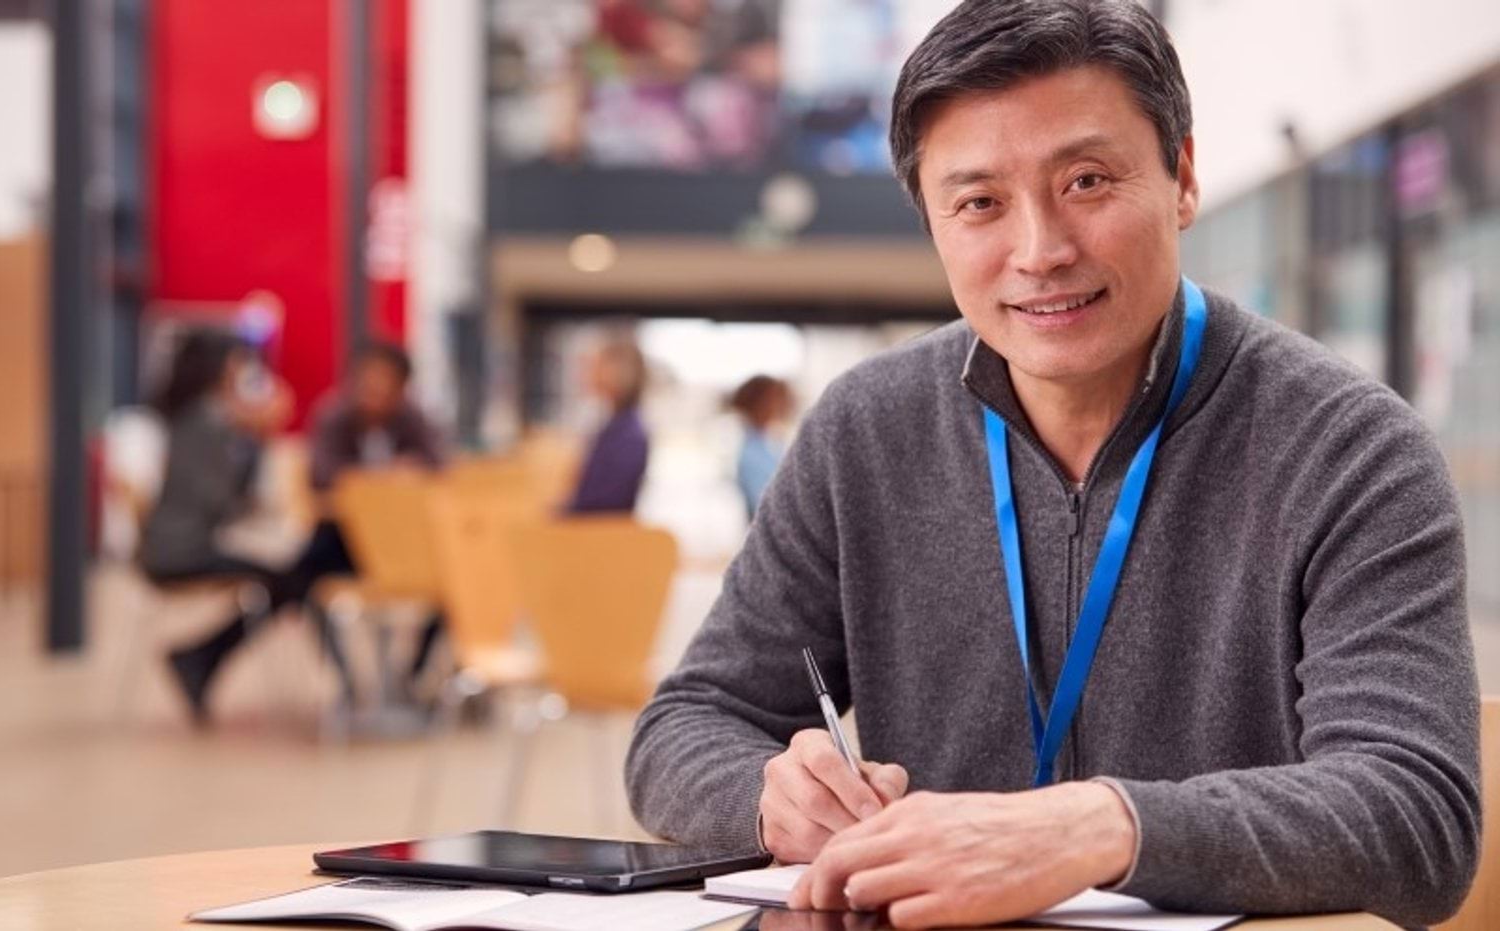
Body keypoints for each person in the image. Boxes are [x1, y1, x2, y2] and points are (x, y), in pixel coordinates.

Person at [624, 2, 1480, 929]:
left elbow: (1416, 814)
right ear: (933, 223)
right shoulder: (865, 433)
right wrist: (770, 796)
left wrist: (1103, 826)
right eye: (980, 202)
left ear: (1182, 177)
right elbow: (684, 723)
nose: (1040, 251)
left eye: (1086, 181)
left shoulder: (1349, 448)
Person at [138, 328, 301, 725]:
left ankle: (200, 659)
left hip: (176, 544)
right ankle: (199, 658)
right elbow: (222, 501)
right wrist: (258, 435)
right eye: (237, 362)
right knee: (290, 580)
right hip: (181, 550)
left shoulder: (196, 415)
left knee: (288, 579)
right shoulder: (208, 420)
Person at [296, 340, 450, 691]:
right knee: (298, 580)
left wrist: (408, 475)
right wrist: (381, 481)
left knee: (462, 579)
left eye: (384, 387)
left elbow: (440, 469)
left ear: (402, 389)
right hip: (345, 542)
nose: (372, 395)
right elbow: (322, 476)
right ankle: (346, 682)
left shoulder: (415, 420)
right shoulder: (335, 418)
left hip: (407, 545)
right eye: (366, 384)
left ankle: (414, 675)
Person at [565, 335, 651, 514]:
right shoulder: (616, 425)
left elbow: (603, 504)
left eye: (597, 365)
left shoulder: (627, 434)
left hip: (601, 534)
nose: (588, 373)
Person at [728, 374, 794, 518]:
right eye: (774, 399)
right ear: (757, 404)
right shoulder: (750, 454)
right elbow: (768, 509)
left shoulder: (775, 443)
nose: (780, 406)